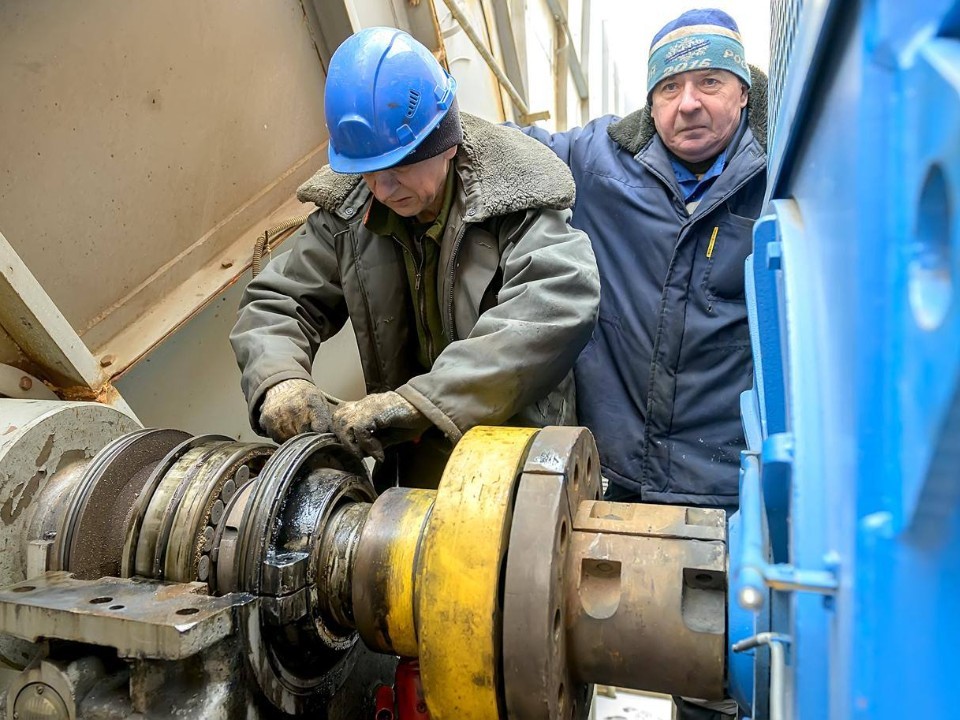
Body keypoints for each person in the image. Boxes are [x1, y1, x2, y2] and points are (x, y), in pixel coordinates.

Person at [515, 10, 765, 718]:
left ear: (742, 91)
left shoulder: (779, 180)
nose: (688, 103)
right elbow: (502, 154)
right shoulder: (599, 164)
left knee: (713, 681)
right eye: (669, 87)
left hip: (718, 499)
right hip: (611, 481)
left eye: (710, 81)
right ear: (649, 100)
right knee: (563, 646)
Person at [230, 26, 599, 490]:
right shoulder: (348, 211)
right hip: (409, 474)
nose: (382, 190)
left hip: (520, 473)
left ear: (445, 143)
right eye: (367, 172)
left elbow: (559, 300)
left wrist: (419, 404)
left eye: (399, 167)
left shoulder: (516, 199)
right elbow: (276, 302)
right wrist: (279, 379)